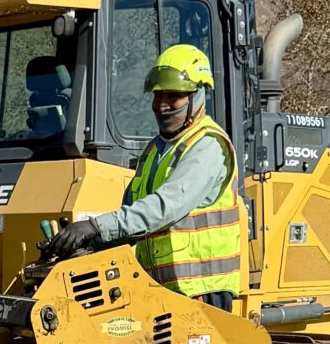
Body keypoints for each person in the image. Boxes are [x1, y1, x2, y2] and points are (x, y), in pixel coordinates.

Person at [36, 44, 245, 306]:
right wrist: (90, 242)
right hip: (158, 289)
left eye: (173, 96)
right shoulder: (155, 150)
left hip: (200, 292)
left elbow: (164, 207)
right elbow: (133, 216)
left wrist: (95, 226)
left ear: (197, 96)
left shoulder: (207, 146)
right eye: (158, 96)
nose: (162, 105)